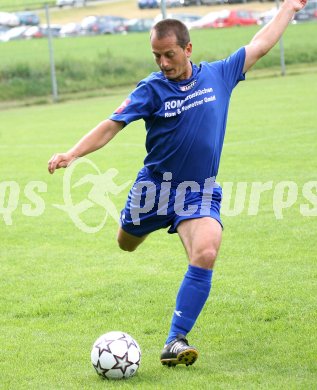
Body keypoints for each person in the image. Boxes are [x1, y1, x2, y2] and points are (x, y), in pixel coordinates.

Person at [48, 0, 307, 368]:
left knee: (206, 251)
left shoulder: (219, 75)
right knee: (126, 243)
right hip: (152, 191)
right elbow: (112, 124)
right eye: (156, 56)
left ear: (187, 49)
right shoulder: (151, 90)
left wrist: (289, 7)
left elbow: (261, 44)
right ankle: (141, 227)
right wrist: (72, 153)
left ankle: (175, 340)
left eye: (169, 55)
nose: (163, 63)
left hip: (198, 192)